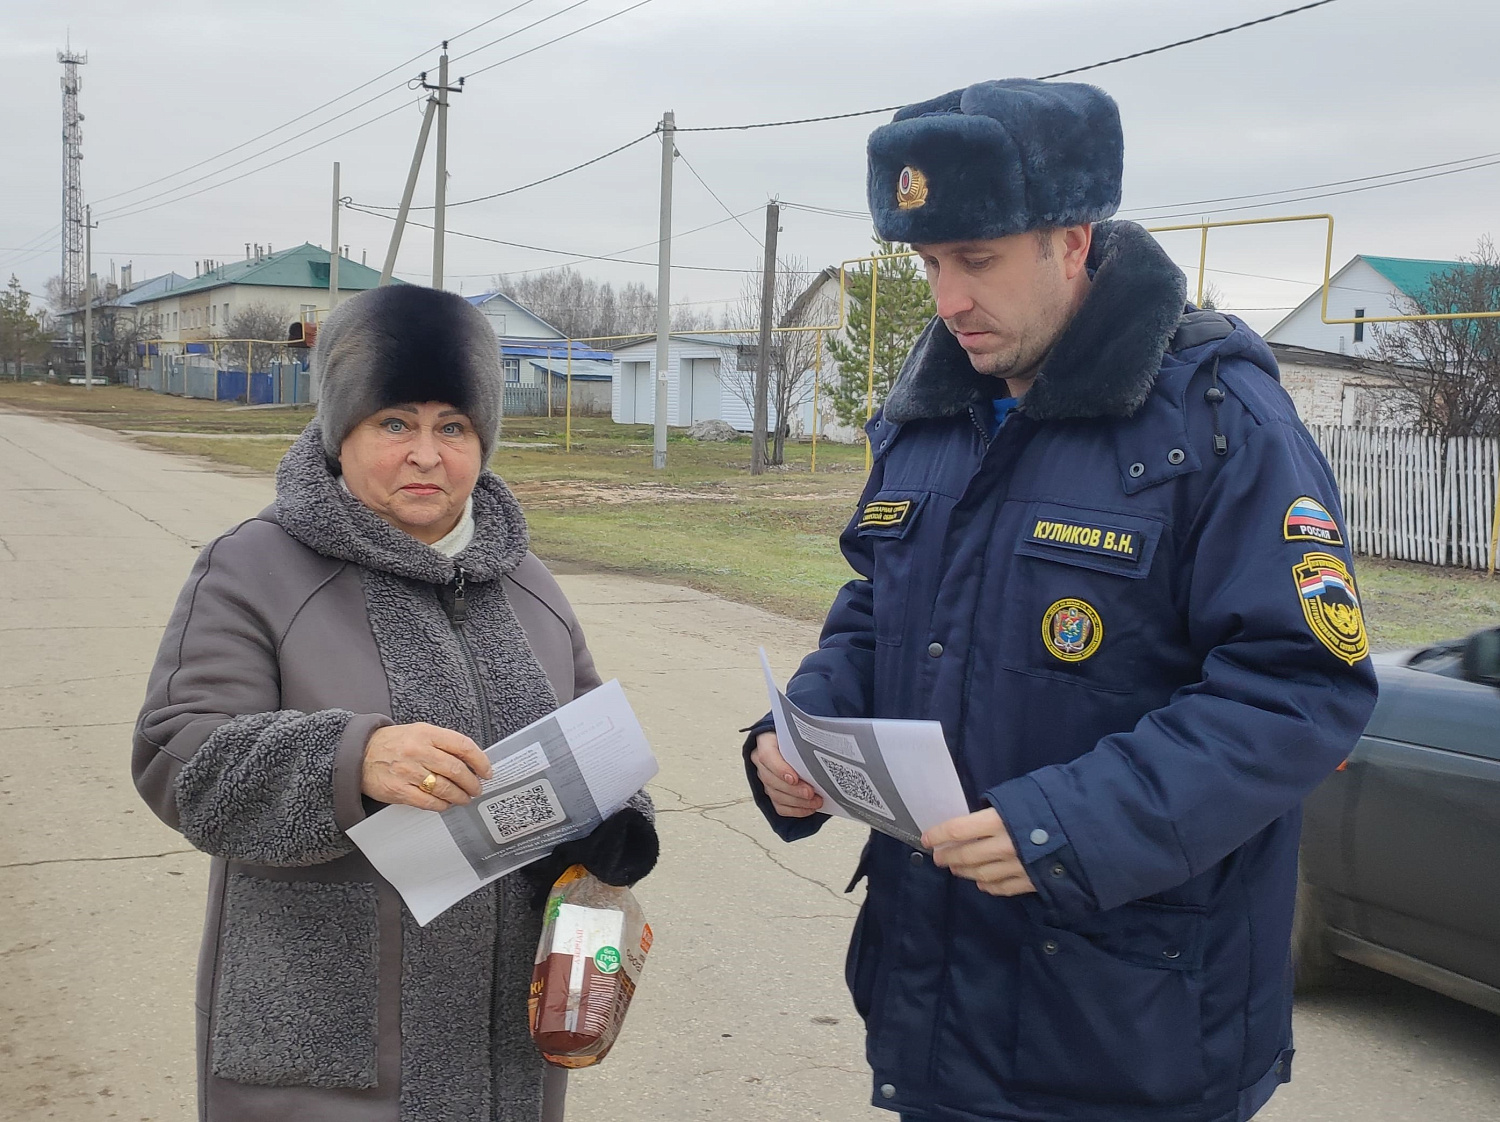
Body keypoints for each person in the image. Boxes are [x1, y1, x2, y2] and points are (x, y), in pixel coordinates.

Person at [744, 79, 1377, 1122]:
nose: (948, 301)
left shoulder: (1220, 421)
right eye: (930, 263)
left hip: (1130, 1032)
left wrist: (1061, 827)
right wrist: (802, 733)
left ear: (1073, 241)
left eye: (978, 260)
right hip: (937, 1010)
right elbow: (879, 604)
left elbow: (1299, 690)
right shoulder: (935, 406)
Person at [132, 284, 657, 1122]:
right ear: (340, 433)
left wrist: (617, 827)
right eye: (394, 423)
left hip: (504, 1059)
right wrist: (351, 759)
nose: (426, 454)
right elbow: (177, 760)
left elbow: (596, 745)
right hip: (333, 1052)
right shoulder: (254, 567)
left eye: (453, 426)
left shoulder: (529, 583)